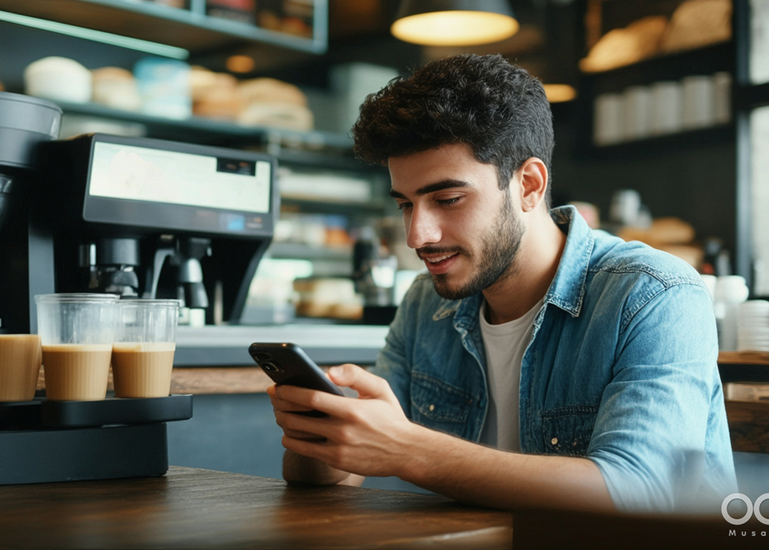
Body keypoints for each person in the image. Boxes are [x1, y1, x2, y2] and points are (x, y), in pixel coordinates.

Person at [267, 53, 737, 512]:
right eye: (406, 204)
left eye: (448, 199)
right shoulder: (424, 304)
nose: (417, 236)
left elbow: (638, 494)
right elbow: (347, 469)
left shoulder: (654, 295)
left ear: (529, 185)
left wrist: (409, 450)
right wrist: (324, 436)